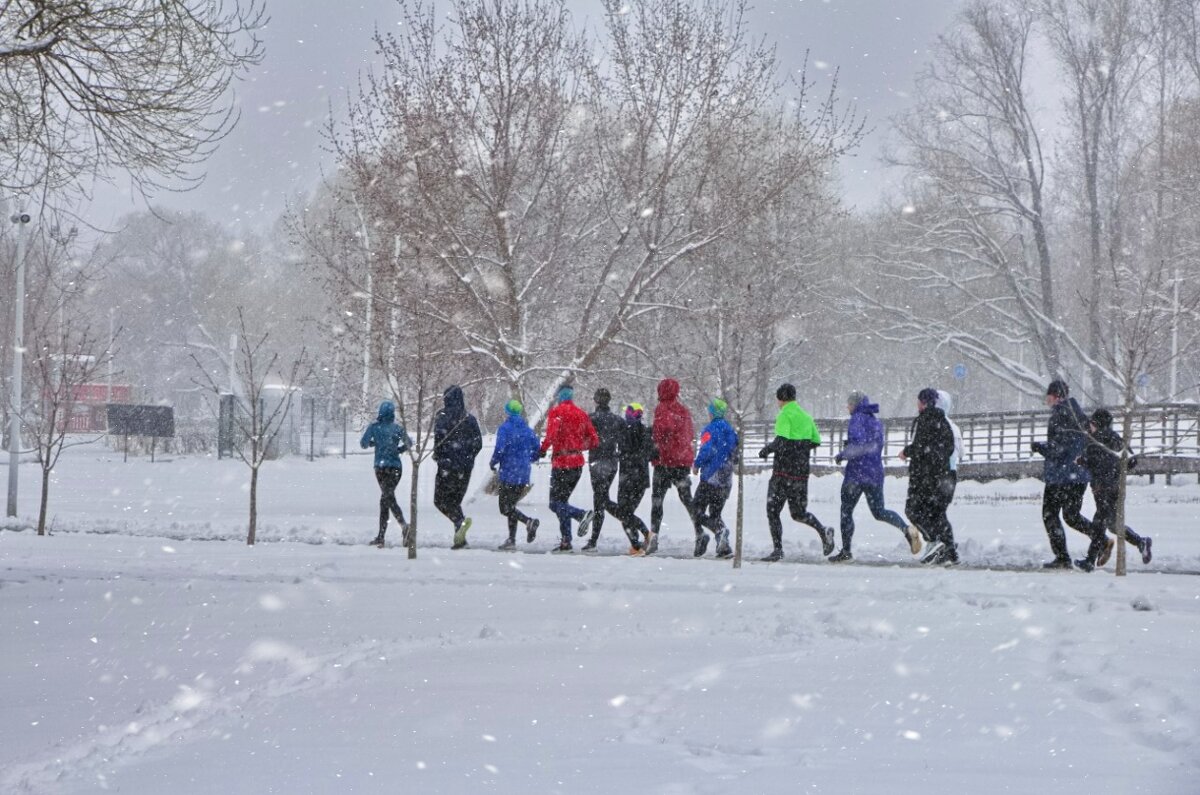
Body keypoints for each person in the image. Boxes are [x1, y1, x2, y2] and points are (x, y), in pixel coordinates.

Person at [830, 391, 921, 562]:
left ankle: (846, 551)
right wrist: (852, 445)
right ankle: (906, 529)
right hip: (875, 473)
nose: (847, 406)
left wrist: (843, 454)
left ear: (855, 405)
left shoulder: (856, 419)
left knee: (846, 512)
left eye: (849, 403)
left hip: (856, 475)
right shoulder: (875, 421)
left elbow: (859, 447)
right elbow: (872, 445)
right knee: (879, 511)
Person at [1031, 379, 1107, 570]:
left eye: (1048, 396)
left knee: (1050, 514)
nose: (1047, 400)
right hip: (1078, 475)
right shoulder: (1077, 414)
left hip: (1061, 475)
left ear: (1055, 396)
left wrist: (1040, 447)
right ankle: (1101, 539)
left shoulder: (1060, 415)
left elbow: (1060, 448)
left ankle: (1063, 558)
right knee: (1071, 515)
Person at [758, 383, 834, 562]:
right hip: (800, 473)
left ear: (781, 399)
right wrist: (800, 448)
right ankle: (824, 531)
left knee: (772, 510)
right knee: (798, 512)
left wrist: (766, 450)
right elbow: (816, 440)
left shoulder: (784, 414)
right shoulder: (806, 416)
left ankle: (777, 550)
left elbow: (781, 441)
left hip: (783, 473)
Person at [1080, 408, 1153, 566]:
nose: (1090, 426)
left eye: (1092, 423)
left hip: (1102, 488)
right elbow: (1131, 460)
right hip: (1115, 487)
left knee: (1099, 523)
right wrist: (1117, 470)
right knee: (1113, 525)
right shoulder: (1115, 438)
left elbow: (1092, 463)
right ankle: (1141, 542)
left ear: (1097, 423)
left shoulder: (1094, 441)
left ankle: (1090, 561)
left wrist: (1083, 462)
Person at [900, 388, 958, 564]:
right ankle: (949, 552)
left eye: (919, 401)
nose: (917, 404)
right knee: (937, 514)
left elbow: (920, 447)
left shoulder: (924, 420)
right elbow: (949, 449)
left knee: (913, 511)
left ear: (923, 402)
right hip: (943, 475)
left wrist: (906, 452)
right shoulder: (944, 421)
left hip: (924, 476)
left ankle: (935, 542)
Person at [539, 385, 599, 552]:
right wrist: (578, 447)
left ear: (559, 396)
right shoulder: (581, 414)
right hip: (577, 463)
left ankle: (581, 515)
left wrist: (543, 449)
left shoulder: (557, 412)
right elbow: (594, 440)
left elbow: (551, 434)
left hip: (561, 463)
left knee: (554, 503)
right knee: (562, 503)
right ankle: (566, 542)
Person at [649, 377, 696, 554]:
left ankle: (653, 536)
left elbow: (662, 432)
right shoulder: (683, 411)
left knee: (657, 502)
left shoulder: (662, 409)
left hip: (665, 462)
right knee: (687, 499)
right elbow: (689, 433)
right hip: (682, 461)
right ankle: (699, 532)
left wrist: (656, 447)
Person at [433, 385, 483, 549]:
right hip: (464, 470)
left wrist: (441, 457)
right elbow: (478, 444)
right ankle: (460, 539)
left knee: (440, 501)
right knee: (455, 502)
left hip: (446, 468)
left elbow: (438, 442)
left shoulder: (442, 417)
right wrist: (468, 458)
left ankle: (459, 523)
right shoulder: (469, 419)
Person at [490, 399, 541, 551]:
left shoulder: (505, 428)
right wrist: (527, 459)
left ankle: (528, 522)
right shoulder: (527, 429)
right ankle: (511, 539)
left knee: (504, 508)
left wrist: (493, 462)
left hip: (509, 473)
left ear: (507, 412)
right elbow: (537, 450)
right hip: (523, 473)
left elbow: (500, 449)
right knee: (511, 506)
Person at [360, 400, 411, 548]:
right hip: (396, 468)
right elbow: (409, 443)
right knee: (386, 500)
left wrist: (375, 443)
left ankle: (402, 528)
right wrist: (398, 450)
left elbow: (363, 444)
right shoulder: (397, 428)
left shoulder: (374, 428)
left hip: (381, 469)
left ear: (380, 412)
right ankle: (390, 533)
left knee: (387, 499)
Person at [691, 398, 736, 558]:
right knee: (715, 513)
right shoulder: (730, 430)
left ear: (712, 412)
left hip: (711, 476)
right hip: (726, 479)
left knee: (696, 509)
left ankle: (717, 531)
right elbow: (735, 452)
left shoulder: (709, 430)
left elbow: (707, 449)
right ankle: (724, 547)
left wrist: (697, 464)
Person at [610, 403, 657, 556]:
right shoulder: (645, 432)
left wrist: (620, 455)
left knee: (624, 514)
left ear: (632, 414)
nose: (625, 415)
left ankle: (644, 537)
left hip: (628, 478)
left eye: (628, 412)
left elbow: (626, 452)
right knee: (627, 514)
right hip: (641, 480)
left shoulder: (625, 430)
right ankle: (636, 546)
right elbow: (651, 454)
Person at [584, 388, 623, 551]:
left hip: (596, 462)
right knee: (603, 499)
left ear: (595, 400)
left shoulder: (590, 419)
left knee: (599, 500)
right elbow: (623, 442)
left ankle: (593, 540)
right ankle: (629, 520)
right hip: (612, 463)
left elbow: (584, 440)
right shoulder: (617, 420)